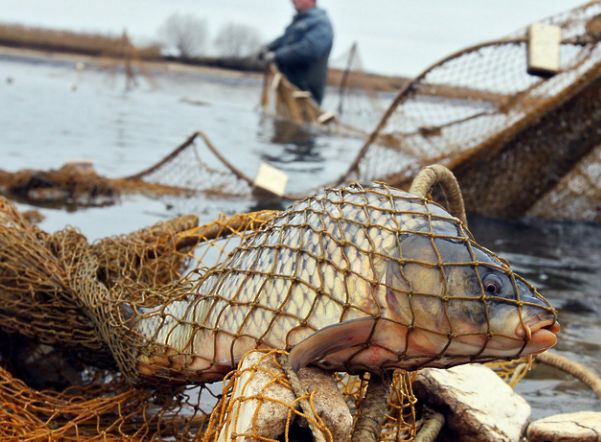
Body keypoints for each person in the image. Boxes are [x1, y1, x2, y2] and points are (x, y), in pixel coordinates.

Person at [261, 0, 334, 105]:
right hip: (289, 86)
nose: (293, 1)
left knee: (303, 120)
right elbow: (284, 40)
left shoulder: (321, 23)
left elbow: (309, 49)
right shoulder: (298, 22)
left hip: (306, 90)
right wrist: (268, 47)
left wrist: (276, 55)